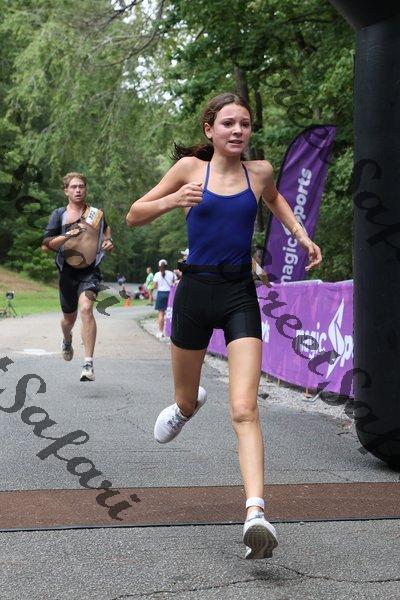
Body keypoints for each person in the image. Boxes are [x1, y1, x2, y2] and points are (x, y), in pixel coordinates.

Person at [126, 92, 321, 559]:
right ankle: (185, 408)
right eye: (229, 123)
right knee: (185, 398)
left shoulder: (260, 172)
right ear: (209, 130)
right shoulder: (190, 171)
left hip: (238, 294)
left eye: (245, 124)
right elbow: (133, 215)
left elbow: (275, 200)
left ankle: (255, 513)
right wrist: (173, 200)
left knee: (245, 408)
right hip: (194, 293)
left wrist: (301, 235)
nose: (238, 131)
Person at [42, 172, 114, 382]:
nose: (78, 190)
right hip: (67, 271)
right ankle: (67, 339)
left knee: (86, 309)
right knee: (68, 320)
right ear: (66, 191)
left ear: (86, 189)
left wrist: (108, 241)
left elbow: (106, 228)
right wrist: (68, 234)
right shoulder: (59, 214)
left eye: (81, 186)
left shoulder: (95, 213)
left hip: (90, 271)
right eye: (73, 187)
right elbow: (45, 246)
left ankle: (88, 363)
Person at [153, 259, 177, 338]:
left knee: (161, 314)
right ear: (166, 266)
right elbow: (175, 283)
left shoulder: (157, 274)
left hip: (161, 294)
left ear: (159, 266)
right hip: (170, 294)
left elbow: (155, 286)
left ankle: (161, 332)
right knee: (171, 314)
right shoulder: (172, 273)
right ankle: (171, 332)